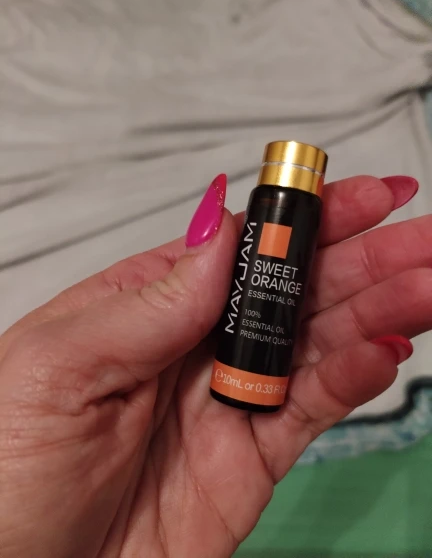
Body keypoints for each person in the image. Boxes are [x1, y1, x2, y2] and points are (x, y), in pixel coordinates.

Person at [0, 173, 430, 558]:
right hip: (217, 390)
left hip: (251, 397)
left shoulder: (297, 209)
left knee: (285, 287)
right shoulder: (270, 205)